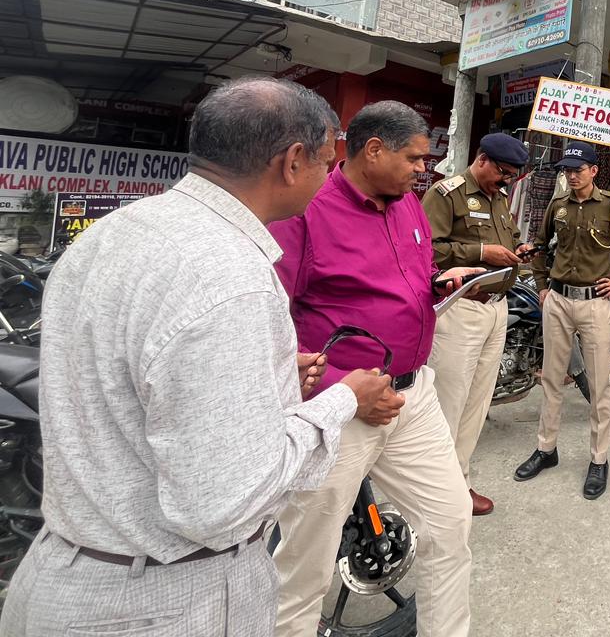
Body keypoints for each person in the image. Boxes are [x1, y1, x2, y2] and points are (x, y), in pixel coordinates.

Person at [0, 77, 390, 637]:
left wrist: (268, 376)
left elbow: (140, 384)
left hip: (69, 571)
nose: (329, 177)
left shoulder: (113, 234)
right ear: (293, 161)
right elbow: (221, 504)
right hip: (165, 600)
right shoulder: (232, 277)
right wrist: (340, 402)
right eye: (328, 162)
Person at [271, 101, 482, 637]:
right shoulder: (307, 209)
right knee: (306, 562)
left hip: (414, 395)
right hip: (340, 409)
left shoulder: (408, 203)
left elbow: (407, 274)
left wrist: (436, 284)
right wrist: (344, 387)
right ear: (373, 150)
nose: (423, 169)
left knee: (449, 523)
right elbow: (272, 323)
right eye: (414, 158)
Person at [515, 141, 610, 500]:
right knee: (553, 379)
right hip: (557, 300)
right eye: (567, 170)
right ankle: (546, 449)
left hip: (594, 304)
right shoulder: (557, 206)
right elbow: (540, 245)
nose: (571, 176)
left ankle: (598, 458)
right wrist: (542, 285)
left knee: (599, 386)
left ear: (593, 171)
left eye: (578, 169)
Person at [423, 132, 534, 516]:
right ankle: (432, 492)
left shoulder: (500, 198)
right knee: (448, 404)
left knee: (476, 404)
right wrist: (482, 251)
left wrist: (517, 249)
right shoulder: (446, 194)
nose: (507, 181)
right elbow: (427, 249)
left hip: (497, 309)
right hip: (462, 308)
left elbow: (509, 237)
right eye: (503, 172)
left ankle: (458, 482)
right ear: (482, 159)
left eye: (513, 176)